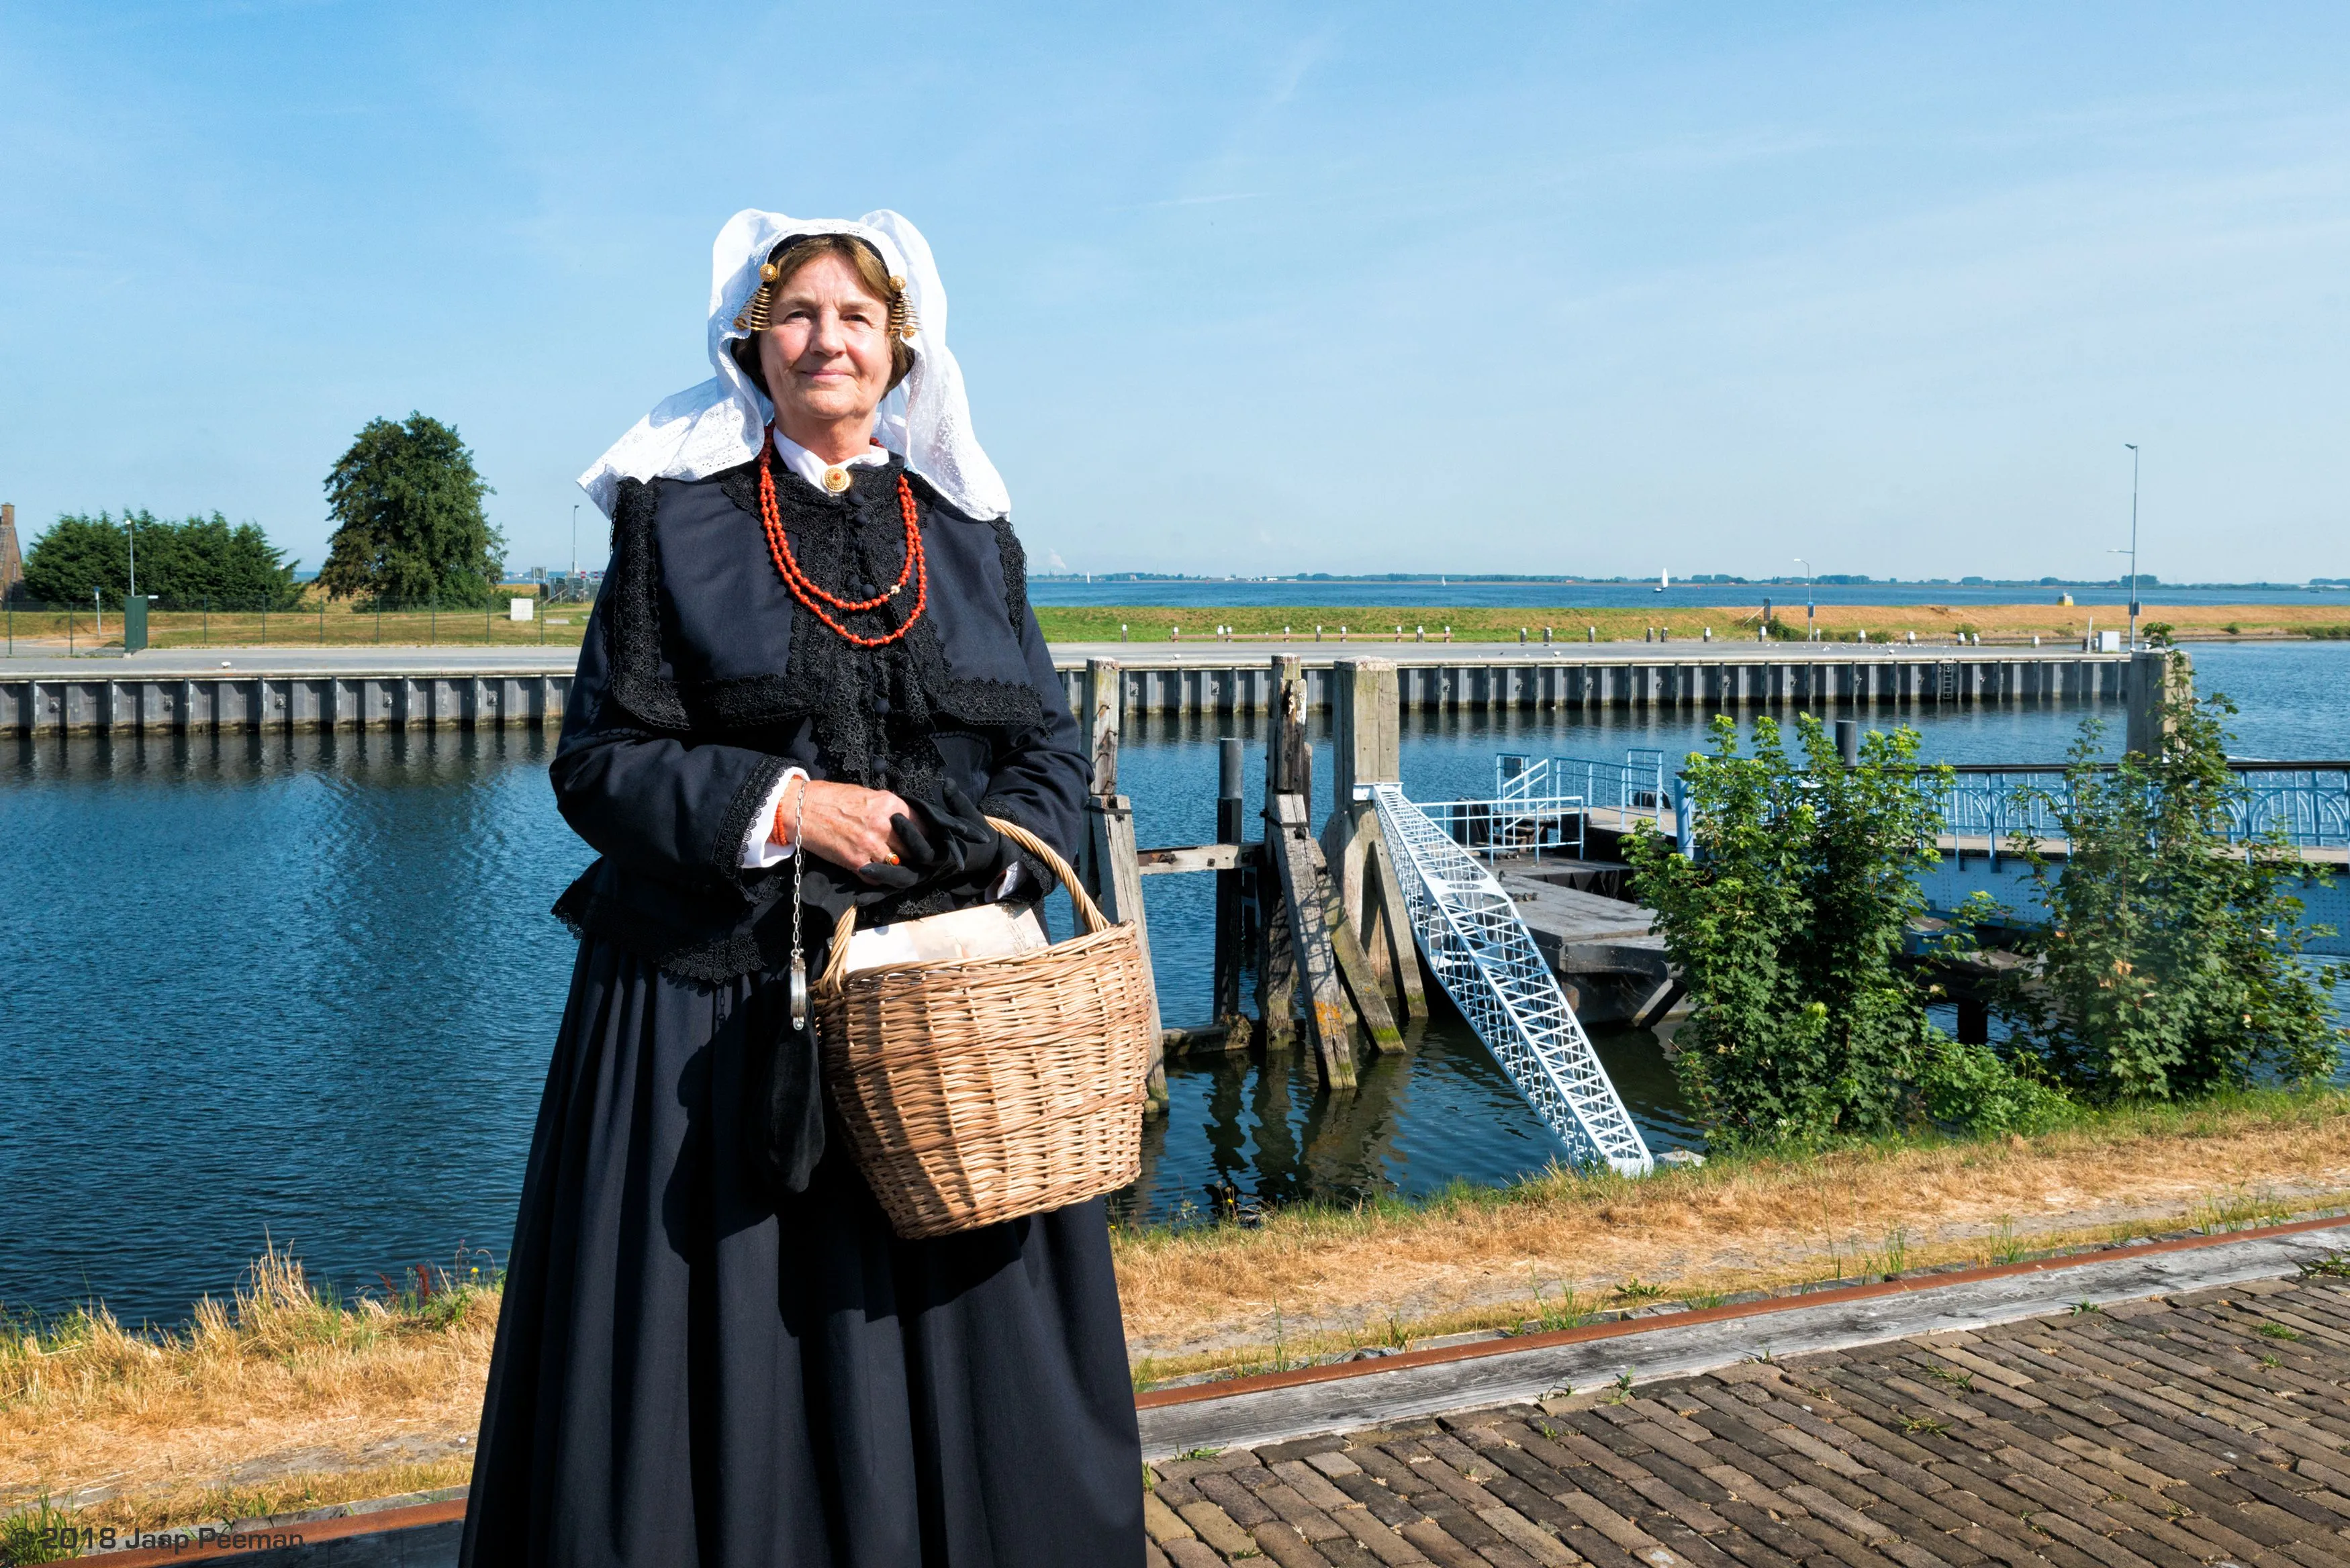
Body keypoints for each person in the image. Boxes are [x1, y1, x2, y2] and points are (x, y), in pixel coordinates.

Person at [458, 209, 1144, 1567]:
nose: (826, 338)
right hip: (715, 1012)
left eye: (854, 316)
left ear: (902, 349)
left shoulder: (967, 527)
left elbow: (1047, 752)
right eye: (797, 314)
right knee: (732, 1334)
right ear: (751, 345)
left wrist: (992, 846)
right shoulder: (677, 522)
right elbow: (600, 762)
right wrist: (783, 807)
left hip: (951, 1022)